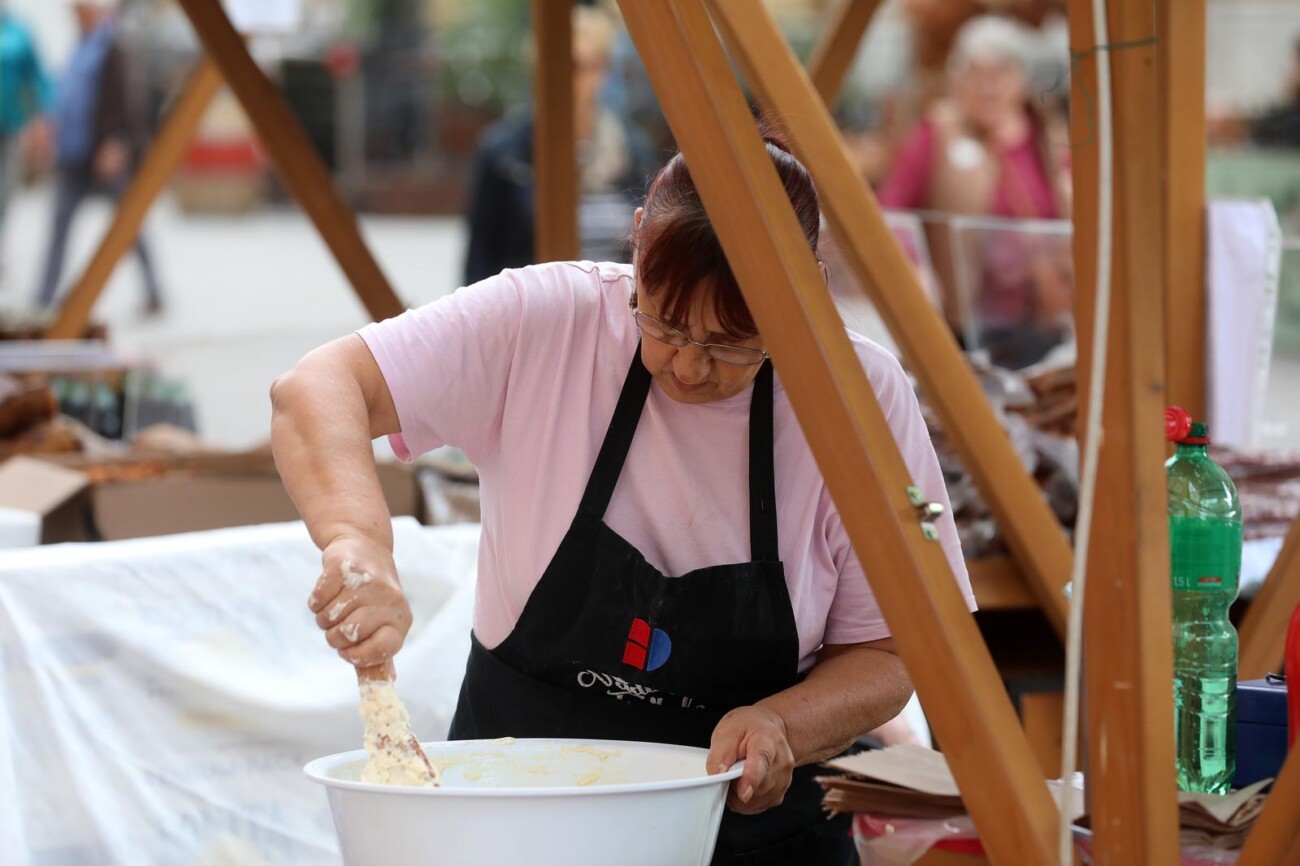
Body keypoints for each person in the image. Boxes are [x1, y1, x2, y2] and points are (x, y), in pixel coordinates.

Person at [271, 128, 975, 865]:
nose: (692, 368)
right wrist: (357, 540)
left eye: (735, 342)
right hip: (519, 824)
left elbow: (899, 647)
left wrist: (786, 726)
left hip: (752, 838)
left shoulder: (858, 395)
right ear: (638, 243)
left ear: (808, 291)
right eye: (665, 322)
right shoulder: (546, 324)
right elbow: (317, 387)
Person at [880, 15, 1071, 368]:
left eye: (1000, 74)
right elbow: (890, 214)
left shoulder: (1048, 137)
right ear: (957, 79)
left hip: (1039, 319)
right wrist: (916, 272)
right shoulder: (936, 132)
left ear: (1022, 79)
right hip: (962, 321)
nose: (988, 87)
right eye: (975, 74)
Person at [462, 4, 656, 284]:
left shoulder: (632, 150)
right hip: (531, 318)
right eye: (556, 65)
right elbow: (479, 258)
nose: (566, 78)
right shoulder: (502, 151)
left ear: (602, 70)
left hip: (617, 317)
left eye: (577, 66)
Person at [34, 0, 162, 314]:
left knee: (129, 225)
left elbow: (131, 100)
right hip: (74, 154)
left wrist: (118, 142)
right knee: (60, 225)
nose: (73, 15)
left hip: (104, 153)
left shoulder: (115, 47)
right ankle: (45, 296)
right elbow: (68, 94)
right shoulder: (80, 45)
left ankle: (154, 292)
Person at [0, 4, 53, 275]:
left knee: (3, 191)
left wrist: (43, 117)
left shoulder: (18, 34)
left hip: (8, 125)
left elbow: (38, 78)